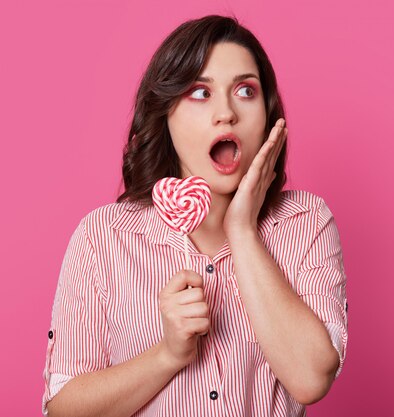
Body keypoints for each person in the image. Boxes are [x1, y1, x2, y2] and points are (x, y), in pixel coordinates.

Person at [42, 14, 348, 417]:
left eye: (245, 90)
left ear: (268, 115)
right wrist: (168, 355)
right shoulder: (104, 237)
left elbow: (310, 378)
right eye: (200, 93)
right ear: (166, 115)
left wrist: (242, 231)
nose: (226, 113)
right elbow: (63, 409)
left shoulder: (305, 221)